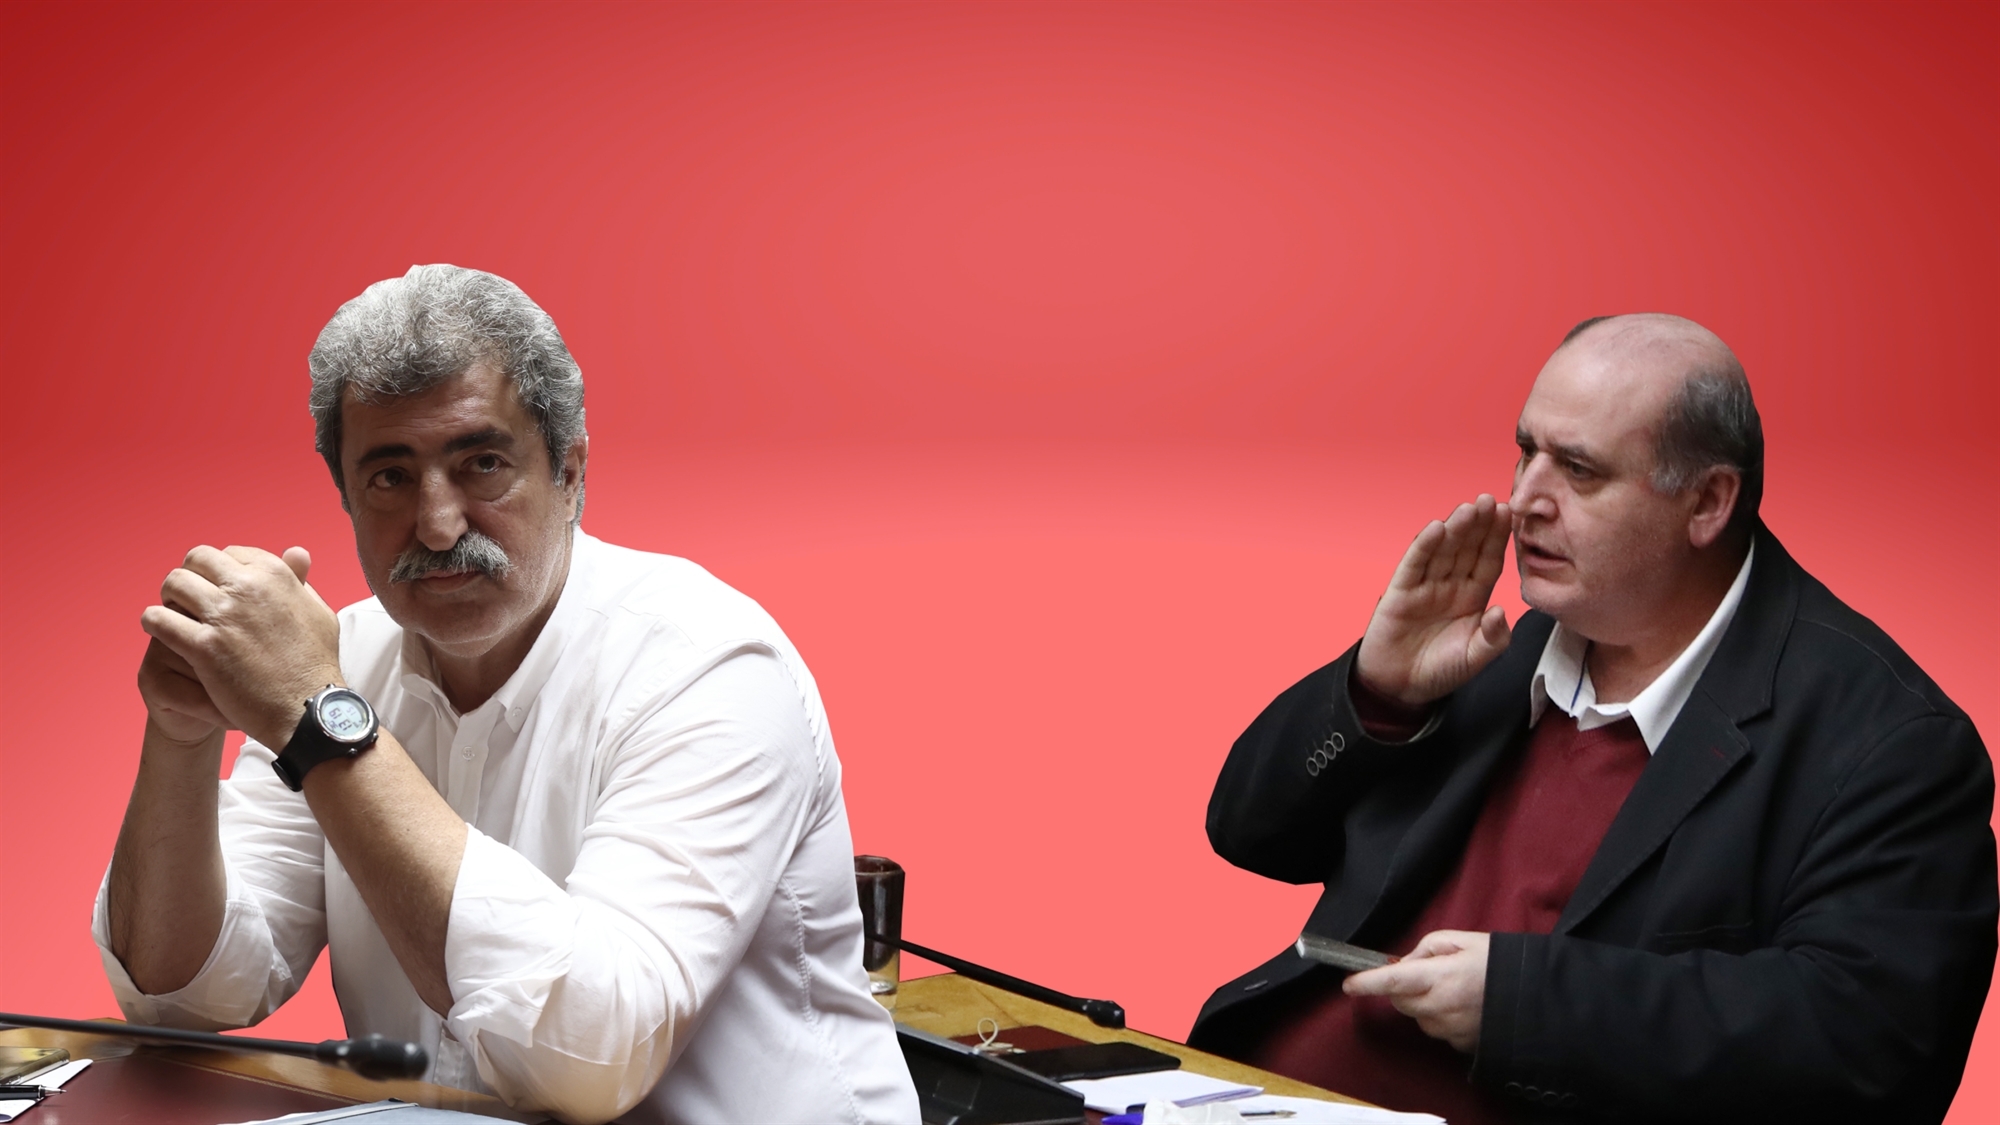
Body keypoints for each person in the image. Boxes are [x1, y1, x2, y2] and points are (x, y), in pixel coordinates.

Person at [93, 265, 921, 1125]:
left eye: (482, 463)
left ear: (571, 469)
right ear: (345, 496)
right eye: (390, 476)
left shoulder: (708, 664)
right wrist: (181, 735)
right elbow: (182, 994)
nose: (438, 523)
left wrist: (321, 718)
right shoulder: (338, 665)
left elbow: (593, 1058)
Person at [1189, 314, 1996, 1123]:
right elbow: (1248, 833)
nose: (1523, 500)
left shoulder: (1892, 743)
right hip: (1241, 1095)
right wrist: (1379, 693)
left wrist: (1523, 1001)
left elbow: (1869, 1046)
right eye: (1525, 451)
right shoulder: (1498, 649)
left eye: (1578, 470)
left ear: (1708, 501)